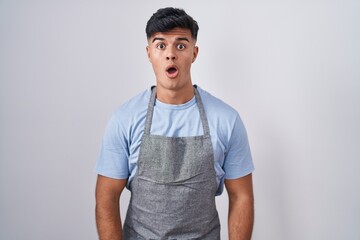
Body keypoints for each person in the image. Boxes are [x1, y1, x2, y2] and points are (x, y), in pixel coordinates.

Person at [95, 7, 255, 240]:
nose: (171, 54)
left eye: (181, 45)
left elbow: (242, 196)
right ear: (149, 53)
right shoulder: (124, 119)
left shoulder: (226, 119)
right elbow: (106, 196)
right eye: (161, 45)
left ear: (194, 53)